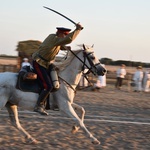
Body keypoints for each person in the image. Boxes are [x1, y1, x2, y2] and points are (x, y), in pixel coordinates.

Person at [32, 23, 83, 115]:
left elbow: (59, 45)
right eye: (64, 34)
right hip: (39, 63)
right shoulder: (53, 38)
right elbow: (68, 39)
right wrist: (77, 29)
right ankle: (38, 106)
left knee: (57, 80)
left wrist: (65, 48)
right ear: (59, 33)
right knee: (48, 85)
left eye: (66, 35)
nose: (65, 36)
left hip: (48, 64)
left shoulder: (56, 40)